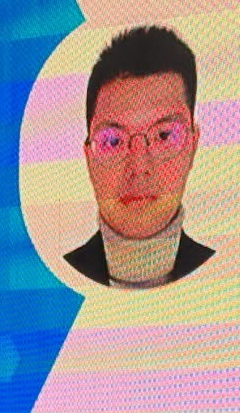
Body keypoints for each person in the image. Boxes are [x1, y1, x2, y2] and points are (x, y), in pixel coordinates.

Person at [66, 24, 214, 289]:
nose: (138, 166)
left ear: (192, 146)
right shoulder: (49, 278)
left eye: (164, 136)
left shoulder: (233, 277)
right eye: (113, 141)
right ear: (89, 158)